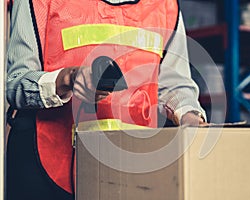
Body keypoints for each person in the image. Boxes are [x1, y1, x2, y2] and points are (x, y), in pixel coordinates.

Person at [6, 0, 207, 200]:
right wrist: (66, 79)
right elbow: (14, 84)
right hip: (45, 164)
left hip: (130, 166)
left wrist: (187, 114)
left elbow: (173, 85)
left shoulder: (165, 6)